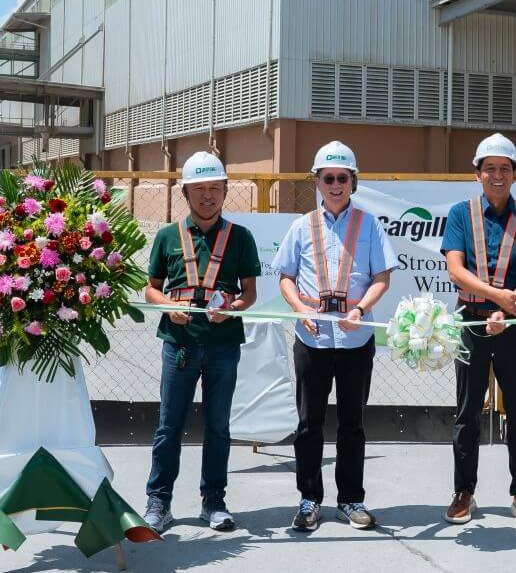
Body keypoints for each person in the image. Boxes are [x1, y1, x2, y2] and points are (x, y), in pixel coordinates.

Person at [273, 141, 398, 532]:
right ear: (317, 181)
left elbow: (382, 277)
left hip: (354, 341)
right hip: (312, 340)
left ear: (353, 182)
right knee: (309, 424)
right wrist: (299, 309)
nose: (335, 184)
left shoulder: (370, 225)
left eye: (343, 178)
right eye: (328, 178)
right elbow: (286, 277)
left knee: (352, 423)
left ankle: (351, 499)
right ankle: (309, 500)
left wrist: (360, 310)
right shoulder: (301, 226)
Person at [142, 151, 259, 533]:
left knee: (218, 427)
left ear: (225, 191)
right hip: (179, 345)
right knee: (168, 426)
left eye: (214, 188)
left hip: (224, 346)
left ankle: (214, 502)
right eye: (199, 189)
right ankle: (159, 503)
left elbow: (249, 294)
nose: (207, 196)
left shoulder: (240, 237)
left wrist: (234, 308)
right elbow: (151, 290)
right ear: (185, 193)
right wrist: (169, 306)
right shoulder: (166, 237)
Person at [441, 133, 516, 529]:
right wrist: (496, 299)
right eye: (490, 169)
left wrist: (511, 302)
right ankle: (464, 490)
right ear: (477, 173)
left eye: (505, 168)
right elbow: (455, 269)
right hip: (471, 321)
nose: (497, 175)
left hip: (515, 322)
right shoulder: (459, 214)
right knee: (467, 411)